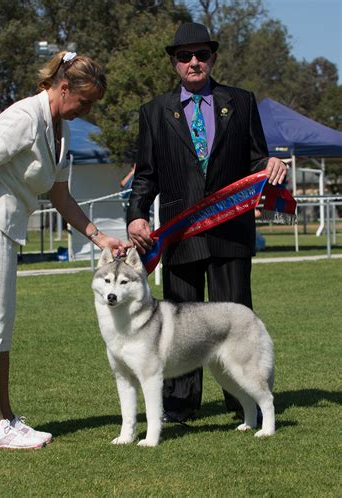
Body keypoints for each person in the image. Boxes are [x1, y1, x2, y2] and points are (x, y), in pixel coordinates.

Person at [0, 51, 129, 450]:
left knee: (1, 324)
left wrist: (98, 237)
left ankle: (5, 418)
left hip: (5, 227)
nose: (86, 109)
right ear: (62, 87)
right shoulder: (23, 117)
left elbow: (59, 193)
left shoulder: (59, 128)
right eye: (84, 100)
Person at [126, 23, 287, 423]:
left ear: (213, 58)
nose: (194, 62)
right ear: (174, 63)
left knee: (235, 317)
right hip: (180, 235)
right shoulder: (153, 113)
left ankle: (242, 403)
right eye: (185, 56)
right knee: (178, 321)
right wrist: (136, 216)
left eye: (201, 54)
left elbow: (255, 159)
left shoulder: (242, 102)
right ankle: (179, 405)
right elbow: (146, 175)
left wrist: (270, 164)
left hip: (231, 231)